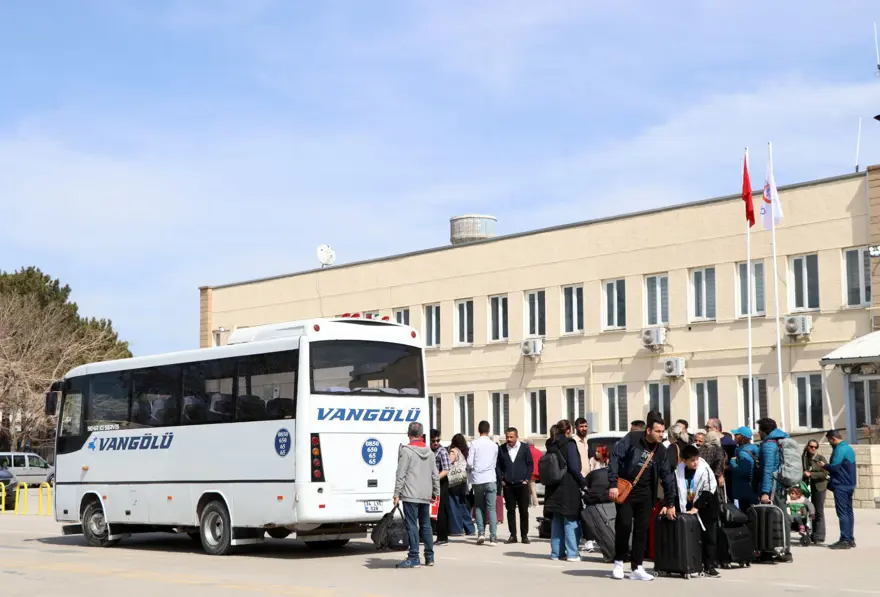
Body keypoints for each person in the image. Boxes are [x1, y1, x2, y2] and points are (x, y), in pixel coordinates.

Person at [608, 410, 677, 581]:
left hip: (647, 496)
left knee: (642, 530)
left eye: (663, 431)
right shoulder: (632, 439)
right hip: (626, 492)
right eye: (658, 431)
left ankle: (637, 567)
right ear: (648, 431)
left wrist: (670, 503)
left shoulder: (661, 451)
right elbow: (615, 457)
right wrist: (612, 484)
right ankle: (618, 562)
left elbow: (667, 476)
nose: (662, 435)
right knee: (623, 527)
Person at [393, 422, 440, 568]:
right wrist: (436, 492)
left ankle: (414, 557)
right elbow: (435, 475)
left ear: (409, 434)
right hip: (425, 494)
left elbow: (401, 474)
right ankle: (430, 557)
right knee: (426, 525)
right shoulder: (429, 452)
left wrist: (396, 493)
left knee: (412, 525)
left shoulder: (406, 451)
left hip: (410, 493)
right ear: (421, 435)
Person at [675, 444, 720, 578]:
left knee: (709, 537)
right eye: (692, 460)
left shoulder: (705, 469)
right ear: (684, 461)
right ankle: (692, 563)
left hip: (706, 507)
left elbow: (708, 490)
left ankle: (709, 566)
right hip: (688, 507)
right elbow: (676, 489)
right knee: (692, 537)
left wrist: (697, 506)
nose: (695, 463)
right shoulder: (679, 470)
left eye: (696, 459)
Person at [543, 419, 586, 561]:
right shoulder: (569, 444)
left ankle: (556, 553)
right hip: (568, 485)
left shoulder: (550, 444)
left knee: (557, 519)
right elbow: (574, 467)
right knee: (570, 519)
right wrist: (583, 482)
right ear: (569, 430)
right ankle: (572, 553)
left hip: (553, 487)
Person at [755, 418, 793, 562]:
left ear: (765, 431)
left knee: (772, 519)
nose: (758, 433)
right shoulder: (781, 440)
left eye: (759, 430)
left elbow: (768, 470)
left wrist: (765, 492)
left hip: (773, 487)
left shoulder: (769, 445)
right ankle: (783, 550)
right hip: (781, 485)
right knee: (781, 517)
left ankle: (773, 550)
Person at [496, 427, 534, 544]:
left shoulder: (524, 448)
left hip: (521, 484)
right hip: (508, 485)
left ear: (516, 437)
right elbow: (498, 465)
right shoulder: (502, 449)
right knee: (510, 510)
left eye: (511, 437)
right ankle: (513, 535)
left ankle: (524, 535)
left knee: (523, 511)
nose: (509, 439)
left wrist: (526, 479)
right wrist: (502, 479)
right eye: (507, 437)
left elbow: (530, 464)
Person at [467, 420, 499, 545]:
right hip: (490, 477)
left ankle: (481, 533)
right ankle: (493, 537)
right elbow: (495, 462)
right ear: (489, 430)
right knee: (492, 508)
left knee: (479, 506)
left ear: (478, 430)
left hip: (477, 478)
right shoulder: (494, 445)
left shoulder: (474, 444)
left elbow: (469, 462)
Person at [824, 430, 857, 550]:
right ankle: (850, 538)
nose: (830, 443)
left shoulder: (839, 449)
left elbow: (834, 467)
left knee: (842, 513)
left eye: (829, 441)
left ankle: (844, 539)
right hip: (850, 484)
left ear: (833, 439)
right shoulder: (848, 448)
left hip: (841, 485)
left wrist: (824, 466)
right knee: (849, 512)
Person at [447, 433, 475, 536]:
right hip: (463, 481)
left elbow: (448, 463)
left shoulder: (454, 451)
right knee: (462, 505)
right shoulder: (465, 452)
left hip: (454, 482)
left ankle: (457, 529)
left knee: (453, 503)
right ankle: (470, 528)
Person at [801, 439, 827, 544]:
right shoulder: (803, 459)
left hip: (819, 487)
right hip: (806, 487)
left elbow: (825, 474)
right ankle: (809, 533)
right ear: (807, 446)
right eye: (811, 446)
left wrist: (811, 474)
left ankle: (819, 535)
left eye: (815, 447)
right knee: (807, 511)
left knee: (818, 510)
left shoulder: (820, 458)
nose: (813, 448)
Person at [728, 426, 759, 511]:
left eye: (736, 435)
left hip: (745, 490)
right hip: (750, 489)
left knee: (747, 513)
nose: (734, 436)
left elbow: (745, 472)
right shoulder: (752, 448)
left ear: (741, 437)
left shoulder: (743, 453)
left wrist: (733, 463)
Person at [430, 429, 450, 545]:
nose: (436, 443)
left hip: (441, 482)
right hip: (429, 482)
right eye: (433, 441)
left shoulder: (442, 451)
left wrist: (435, 479)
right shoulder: (428, 450)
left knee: (440, 510)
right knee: (430, 509)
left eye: (438, 440)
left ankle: (442, 536)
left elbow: (446, 470)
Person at [528, 440, 543, 507]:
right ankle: (530, 503)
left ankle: (536, 503)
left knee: (532, 487)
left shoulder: (527, 452)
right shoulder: (538, 451)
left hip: (531, 472)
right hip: (538, 471)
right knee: (530, 488)